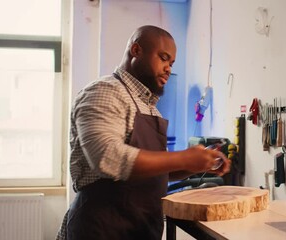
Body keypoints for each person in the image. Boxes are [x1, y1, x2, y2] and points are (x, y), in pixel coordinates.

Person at [56, 25, 231, 240]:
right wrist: (184, 157)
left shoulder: (149, 107)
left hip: (140, 229)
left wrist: (196, 165)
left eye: (171, 63)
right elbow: (106, 156)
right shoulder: (105, 91)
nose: (168, 68)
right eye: (163, 58)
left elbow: (157, 171)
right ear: (136, 51)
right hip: (102, 228)